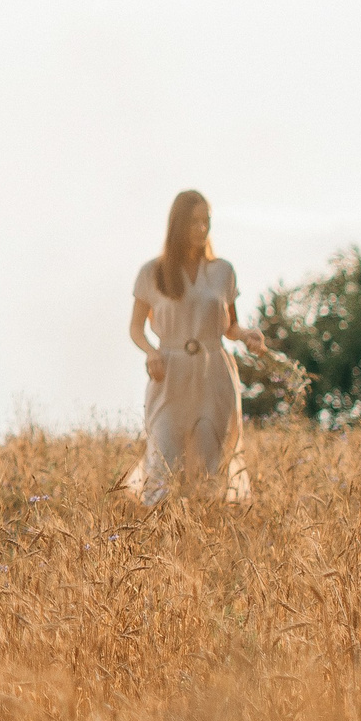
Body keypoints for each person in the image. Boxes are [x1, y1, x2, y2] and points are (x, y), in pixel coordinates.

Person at [125, 189, 266, 505]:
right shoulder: (152, 272)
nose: (202, 228)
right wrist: (151, 352)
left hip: (213, 373)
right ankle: (158, 529)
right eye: (194, 222)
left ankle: (203, 531)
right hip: (169, 373)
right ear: (178, 224)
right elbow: (135, 327)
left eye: (206, 221)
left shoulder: (223, 270)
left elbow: (230, 326)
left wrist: (247, 335)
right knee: (163, 460)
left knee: (208, 468)